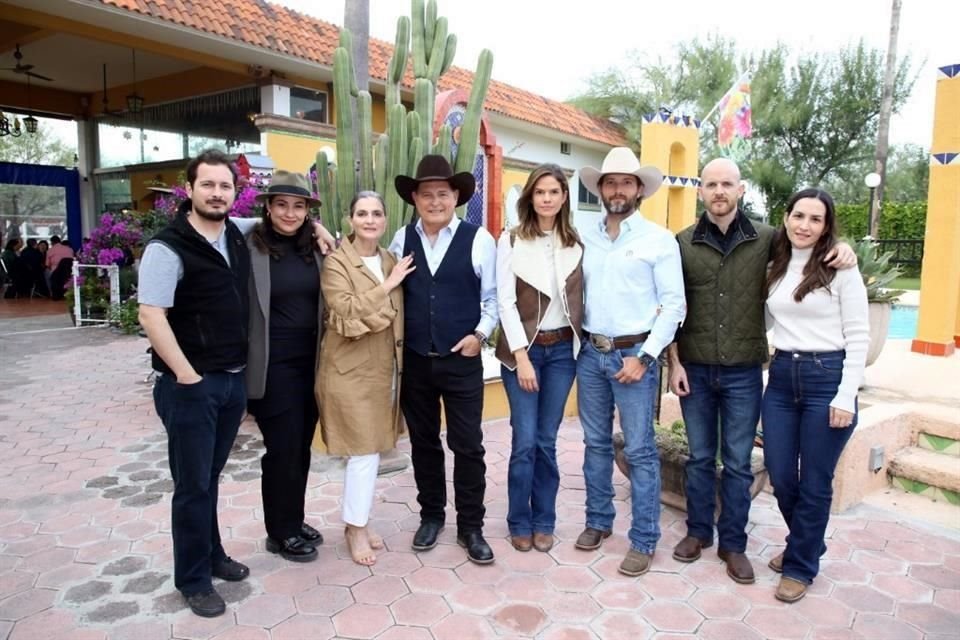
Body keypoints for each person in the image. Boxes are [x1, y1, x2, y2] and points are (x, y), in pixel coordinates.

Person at [667, 159, 857, 585]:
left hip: (744, 372)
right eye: (711, 184)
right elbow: (670, 307)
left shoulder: (770, 239)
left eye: (727, 184)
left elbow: (811, 252)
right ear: (700, 190)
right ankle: (697, 532)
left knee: (737, 462)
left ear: (741, 189)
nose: (719, 191)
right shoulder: (680, 243)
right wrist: (674, 363)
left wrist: (844, 250)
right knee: (699, 458)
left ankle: (733, 543)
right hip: (693, 368)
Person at [138, 149, 253, 618]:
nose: (217, 193)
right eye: (207, 185)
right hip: (190, 386)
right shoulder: (167, 246)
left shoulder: (236, 234)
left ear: (233, 193)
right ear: (189, 190)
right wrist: (187, 374)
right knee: (192, 485)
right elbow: (151, 314)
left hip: (230, 381)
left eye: (225, 186)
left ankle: (213, 555)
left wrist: (323, 231)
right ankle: (192, 578)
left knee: (210, 477)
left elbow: (276, 223)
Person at [574, 147, 686, 577]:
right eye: (610, 182)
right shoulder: (586, 236)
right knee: (595, 444)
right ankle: (598, 521)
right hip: (591, 354)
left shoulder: (658, 239)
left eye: (625, 182)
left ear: (639, 189)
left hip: (635, 357)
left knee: (639, 450)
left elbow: (674, 305)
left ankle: (643, 540)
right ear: (600, 189)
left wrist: (645, 357)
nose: (617, 189)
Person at [388, 154, 498, 565]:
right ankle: (431, 516)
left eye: (443, 193)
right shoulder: (401, 239)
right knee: (423, 443)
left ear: (456, 197)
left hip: (461, 360)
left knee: (467, 445)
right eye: (427, 194)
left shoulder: (479, 239)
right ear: (415, 198)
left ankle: (471, 526)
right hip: (416, 360)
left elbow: (492, 299)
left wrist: (479, 335)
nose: (435, 201)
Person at [761, 188, 868, 602]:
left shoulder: (840, 268)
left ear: (826, 227)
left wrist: (846, 396)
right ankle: (807, 541)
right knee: (782, 473)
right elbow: (769, 319)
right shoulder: (776, 266)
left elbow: (859, 335)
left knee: (815, 481)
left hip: (829, 376)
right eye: (799, 216)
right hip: (784, 375)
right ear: (786, 218)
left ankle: (801, 565)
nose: (805, 225)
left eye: (815, 219)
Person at [317, 191, 415, 566]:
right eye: (362, 213)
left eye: (376, 213)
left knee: (372, 450)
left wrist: (374, 313)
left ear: (385, 220)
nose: (370, 220)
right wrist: (388, 287)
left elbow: (365, 316)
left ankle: (359, 519)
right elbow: (344, 311)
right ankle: (354, 528)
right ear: (350, 219)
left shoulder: (390, 258)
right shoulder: (337, 263)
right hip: (350, 371)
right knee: (362, 451)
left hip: (385, 368)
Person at [495, 163, 583, 553]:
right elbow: (504, 301)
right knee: (524, 441)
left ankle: (544, 519)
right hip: (524, 353)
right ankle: (519, 520)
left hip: (564, 351)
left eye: (554, 192)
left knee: (547, 441)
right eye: (540, 192)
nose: (547, 198)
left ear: (564, 197)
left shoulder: (576, 243)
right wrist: (521, 356)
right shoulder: (511, 240)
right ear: (530, 197)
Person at [245, 171, 326, 563]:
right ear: (268, 207)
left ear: (308, 211)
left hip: (312, 362)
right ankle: (279, 533)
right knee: (282, 448)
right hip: (273, 364)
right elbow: (223, 218)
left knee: (301, 447)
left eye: (298, 206)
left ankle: (294, 518)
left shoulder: (316, 248)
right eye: (281, 205)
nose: (290, 213)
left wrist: (322, 230)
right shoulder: (252, 244)